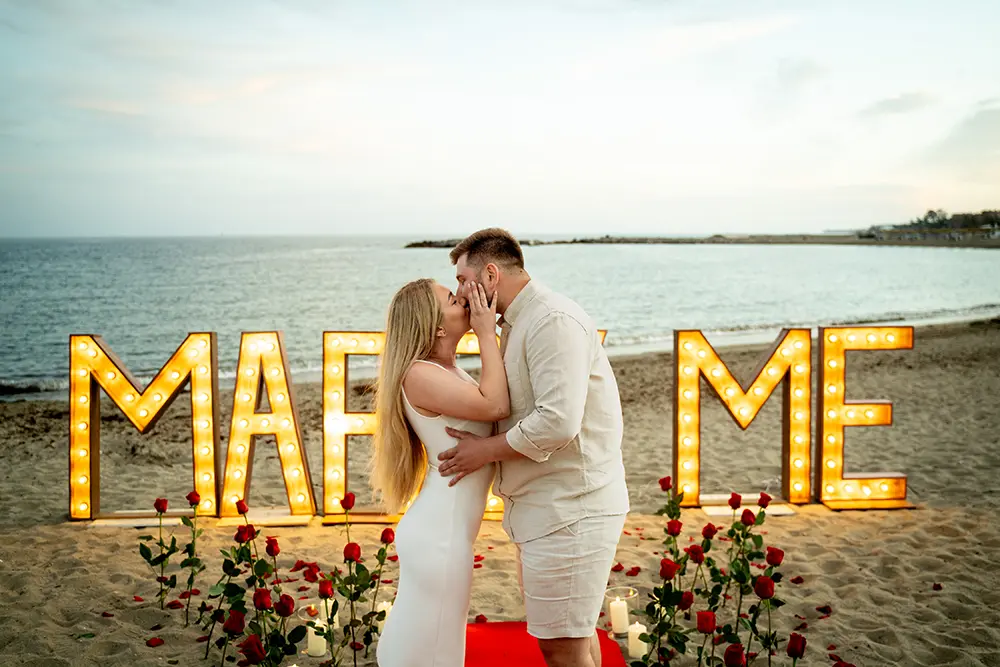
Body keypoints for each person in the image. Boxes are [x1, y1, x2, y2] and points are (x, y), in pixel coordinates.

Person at [438, 228, 629, 667]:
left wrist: (482, 452)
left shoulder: (551, 320)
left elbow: (558, 421)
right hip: (546, 507)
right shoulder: (517, 323)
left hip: (571, 507)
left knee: (561, 647)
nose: (460, 294)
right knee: (572, 636)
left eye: (463, 280)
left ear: (490, 274)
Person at [372, 277, 508, 667]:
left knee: (434, 642)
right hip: (440, 537)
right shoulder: (419, 374)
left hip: (444, 533)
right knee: (435, 648)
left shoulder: (445, 370)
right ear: (435, 325)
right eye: (451, 297)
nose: (463, 297)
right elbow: (496, 406)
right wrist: (485, 331)